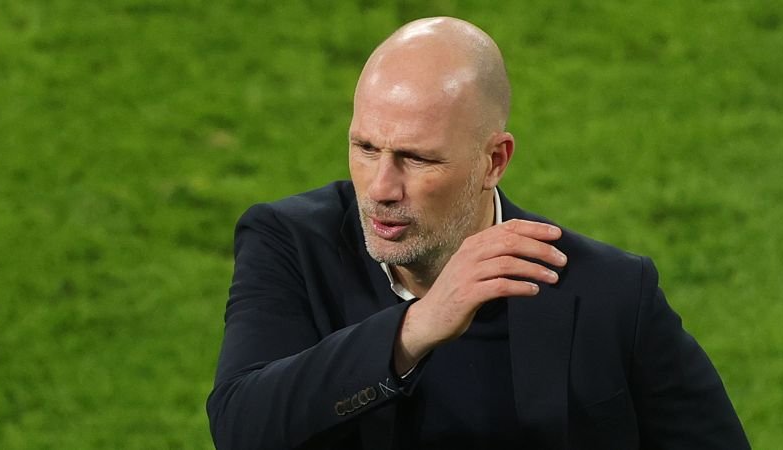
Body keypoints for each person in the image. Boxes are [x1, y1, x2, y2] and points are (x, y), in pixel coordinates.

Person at [207, 16, 749, 450]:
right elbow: (241, 427)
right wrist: (414, 329)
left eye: (417, 158)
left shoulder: (610, 292)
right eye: (366, 148)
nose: (381, 187)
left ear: (494, 161)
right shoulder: (291, 243)